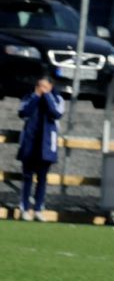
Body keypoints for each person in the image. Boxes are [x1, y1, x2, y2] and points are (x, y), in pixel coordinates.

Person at [17, 77, 64, 222]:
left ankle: (38, 208)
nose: (42, 88)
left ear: (51, 86)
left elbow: (56, 113)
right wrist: (36, 96)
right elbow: (23, 112)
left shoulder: (57, 98)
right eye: (40, 86)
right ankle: (24, 208)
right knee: (27, 177)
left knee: (42, 178)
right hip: (30, 142)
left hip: (46, 144)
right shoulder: (29, 97)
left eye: (45, 86)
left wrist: (47, 96)